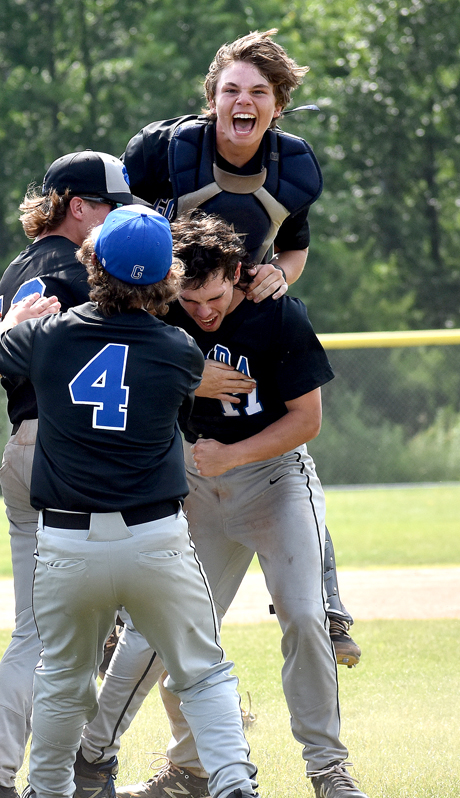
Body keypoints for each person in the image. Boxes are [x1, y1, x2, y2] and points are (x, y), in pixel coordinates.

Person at [0, 205, 272, 798]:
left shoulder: (50, 335)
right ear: (168, 274)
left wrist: (14, 324)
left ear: (92, 263)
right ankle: (236, 795)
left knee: (64, 679)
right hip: (155, 538)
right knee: (203, 671)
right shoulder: (177, 351)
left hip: (68, 541)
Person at [82, 213, 372, 798]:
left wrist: (231, 454)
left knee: (305, 617)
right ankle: (98, 760)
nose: (204, 310)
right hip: (194, 484)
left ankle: (329, 771)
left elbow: (307, 420)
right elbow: (123, 384)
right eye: (191, 298)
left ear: (239, 277)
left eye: (214, 297)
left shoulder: (277, 313)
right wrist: (192, 384)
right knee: (158, 629)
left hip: (273, 479)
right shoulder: (162, 313)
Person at [122, 29, 360, 666]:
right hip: (162, 313)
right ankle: (122, 604)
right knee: (148, 445)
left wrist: (280, 272)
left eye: (258, 91)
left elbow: (294, 245)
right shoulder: (165, 152)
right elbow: (119, 236)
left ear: (277, 104)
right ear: (212, 99)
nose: (243, 101)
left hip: (239, 310)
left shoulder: (293, 166)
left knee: (287, 456)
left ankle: (323, 602)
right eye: (231, 89)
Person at [0, 151, 138, 798]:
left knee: (38, 630)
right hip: (77, 454)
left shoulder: (19, 266)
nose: (121, 219)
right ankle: (83, 764)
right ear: (79, 206)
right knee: (138, 620)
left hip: (22, 450)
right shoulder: (83, 271)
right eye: (113, 206)